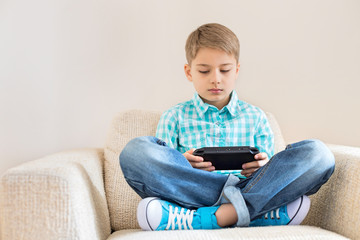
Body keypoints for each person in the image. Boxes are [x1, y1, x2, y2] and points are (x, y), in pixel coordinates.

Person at [119, 23, 335, 231]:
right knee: (135, 151)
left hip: (248, 187)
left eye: (225, 70)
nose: (216, 79)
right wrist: (182, 162)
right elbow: (164, 168)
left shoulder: (257, 117)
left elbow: (272, 174)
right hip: (195, 190)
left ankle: (210, 218)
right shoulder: (174, 117)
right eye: (204, 71)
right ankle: (252, 214)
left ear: (237, 70)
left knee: (319, 155)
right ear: (189, 72)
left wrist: (263, 167)